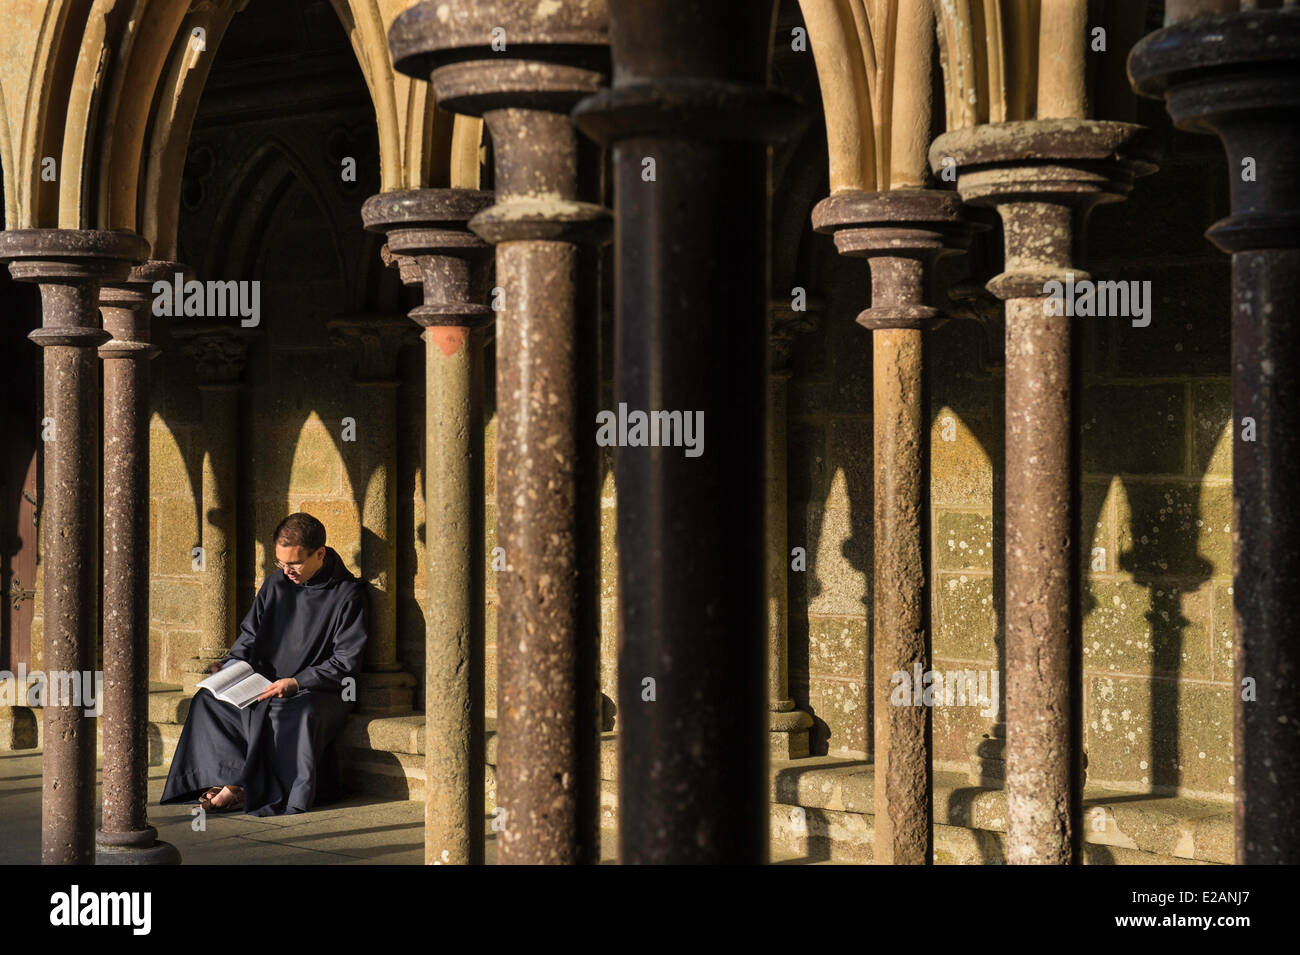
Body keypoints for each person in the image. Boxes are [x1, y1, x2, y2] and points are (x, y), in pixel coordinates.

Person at [160, 513, 368, 816]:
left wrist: (297, 682)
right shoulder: (276, 584)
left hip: (320, 689)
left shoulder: (348, 595)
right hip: (266, 681)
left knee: (284, 711)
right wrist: (230, 666)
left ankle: (240, 788)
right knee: (209, 701)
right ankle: (230, 780)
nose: (287, 572)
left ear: (320, 554)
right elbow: (250, 636)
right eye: (280, 563)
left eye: (294, 564)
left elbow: (346, 661)